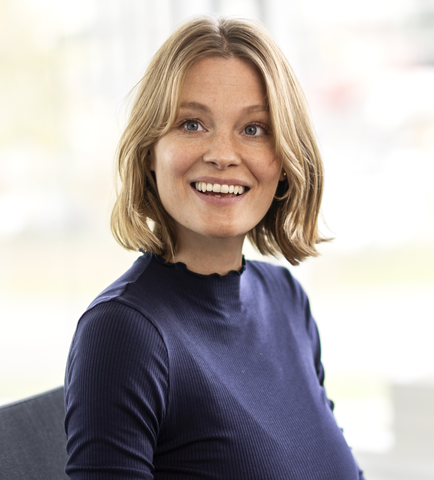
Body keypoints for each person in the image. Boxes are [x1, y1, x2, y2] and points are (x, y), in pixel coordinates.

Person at [63, 16, 363, 480]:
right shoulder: (123, 332)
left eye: (254, 129)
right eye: (192, 123)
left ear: (283, 161)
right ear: (150, 152)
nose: (223, 154)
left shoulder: (285, 298)